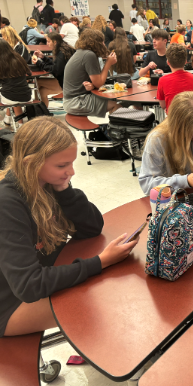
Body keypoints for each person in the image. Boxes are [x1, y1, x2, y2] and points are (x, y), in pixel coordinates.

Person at [0, 117, 138, 338]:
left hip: (45, 273)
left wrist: (65, 191)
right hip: (11, 303)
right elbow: (29, 285)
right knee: (101, 302)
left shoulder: (45, 183)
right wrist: (100, 262)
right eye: (62, 165)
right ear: (30, 163)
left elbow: (92, 227)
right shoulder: (8, 205)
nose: (71, 171)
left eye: (71, 163)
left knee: (110, 285)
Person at [62, 29, 120, 117]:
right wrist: (108, 63)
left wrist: (92, 85)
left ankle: (113, 128)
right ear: (96, 43)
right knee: (116, 104)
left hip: (70, 100)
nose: (104, 44)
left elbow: (94, 81)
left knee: (114, 100)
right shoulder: (89, 55)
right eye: (102, 42)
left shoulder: (81, 52)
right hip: (76, 102)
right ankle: (113, 130)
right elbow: (99, 84)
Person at [32, 33, 76, 107]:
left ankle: (38, 110)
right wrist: (43, 57)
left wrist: (39, 63)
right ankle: (43, 113)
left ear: (55, 42)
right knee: (42, 92)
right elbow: (57, 65)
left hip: (66, 83)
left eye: (49, 41)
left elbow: (56, 70)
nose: (47, 44)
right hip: (69, 81)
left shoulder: (61, 53)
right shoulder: (64, 49)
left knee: (37, 82)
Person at [157, 44, 193, 113]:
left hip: (173, 119)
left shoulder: (162, 80)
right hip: (191, 118)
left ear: (168, 62)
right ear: (186, 61)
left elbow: (163, 105)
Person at [0, 40, 32, 127]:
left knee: (9, 93)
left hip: (10, 96)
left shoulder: (1, 62)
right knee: (13, 92)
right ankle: (15, 122)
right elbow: (29, 74)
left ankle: (9, 121)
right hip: (26, 95)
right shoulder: (19, 58)